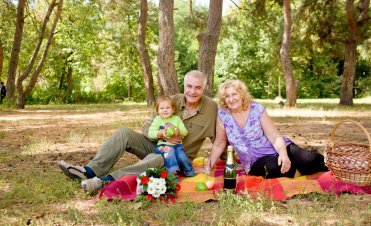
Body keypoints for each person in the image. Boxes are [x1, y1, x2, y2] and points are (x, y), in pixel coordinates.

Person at [58, 70, 217, 193]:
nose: (192, 91)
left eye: (198, 88)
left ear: (204, 88)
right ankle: (89, 171)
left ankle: (104, 181)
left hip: (176, 157)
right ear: (184, 85)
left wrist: (230, 160)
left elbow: (219, 139)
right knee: (124, 132)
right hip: (156, 144)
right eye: (189, 86)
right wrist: (161, 133)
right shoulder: (173, 100)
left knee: (155, 159)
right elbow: (147, 126)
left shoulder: (211, 108)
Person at [204, 79, 328, 179]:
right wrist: (208, 167)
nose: (231, 99)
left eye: (234, 94)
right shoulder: (223, 115)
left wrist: (283, 155)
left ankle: (332, 166)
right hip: (256, 161)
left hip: (277, 148)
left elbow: (275, 136)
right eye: (227, 96)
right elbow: (219, 143)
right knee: (273, 167)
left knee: (308, 159)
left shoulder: (256, 109)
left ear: (241, 94)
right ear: (223, 99)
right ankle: (298, 170)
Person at [148, 96, 195, 177]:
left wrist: (178, 131)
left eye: (167, 108)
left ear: (173, 109)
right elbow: (150, 133)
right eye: (162, 108)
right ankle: (172, 173)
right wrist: (161, 133)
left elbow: (185, 132)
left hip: (177, 146)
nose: (165, 110)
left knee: (182, 157)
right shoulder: (158, 119)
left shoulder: (176, 119)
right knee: (169, 153)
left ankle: (188, 171)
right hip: (163, 146)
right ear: (158, 111)